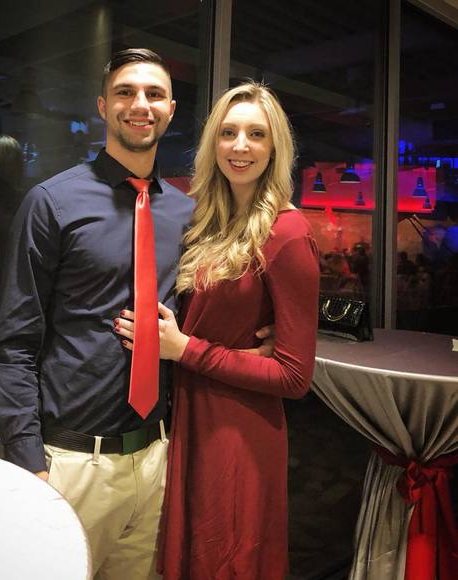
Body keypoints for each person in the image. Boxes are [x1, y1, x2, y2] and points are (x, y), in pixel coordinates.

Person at [0, 49, 272, 578]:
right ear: (102, 106)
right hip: (72, 464)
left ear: (170, 109)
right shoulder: (52, 203)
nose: (140, 104)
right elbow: (12, 345)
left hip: (158, 458)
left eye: (154, 94)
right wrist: (30, 462)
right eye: (125, 92)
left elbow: (202, 312)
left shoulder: (189, 214)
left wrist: (260, 336)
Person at [117, 81, 320, 579]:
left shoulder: (289, 234)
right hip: (193, 418)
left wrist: (185, 349)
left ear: (275, 149)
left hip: (239, 434)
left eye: (256, 134)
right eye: (228, 133)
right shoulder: (208, 220)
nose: (240, 146)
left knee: (225, 559)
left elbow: (295, 377)